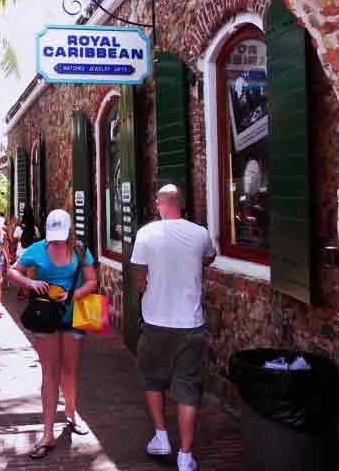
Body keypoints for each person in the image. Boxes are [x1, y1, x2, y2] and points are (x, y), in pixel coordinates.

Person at [129, 184, 216, 471]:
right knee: (188, 389)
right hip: (191, 324)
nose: (155, 204)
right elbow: (209, 257)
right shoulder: (200, 233)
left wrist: (145, 292)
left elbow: (139, 276)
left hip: (155, 322)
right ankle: (185, 456)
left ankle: (162, 437)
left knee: (152, 380)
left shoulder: (146, 234)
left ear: (162, 204)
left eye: (156, 200)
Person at [8, 209, 98, 459]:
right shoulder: (37, 249)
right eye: (54, 236)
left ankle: (70, 412)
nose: (57, 241)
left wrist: (72, 296)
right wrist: (31, 283)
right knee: (49, 373)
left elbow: (92, 281)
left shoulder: (79, 249)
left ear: (69, 231)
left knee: (70, 370)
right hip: (44, 317)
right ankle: (47, 433)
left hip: (72, 318)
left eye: (61, 236)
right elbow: (12, 271)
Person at [13, 206, 41, 300]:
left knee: (20, 275)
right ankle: (28, 293)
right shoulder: (34, 228)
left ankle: (22, 291)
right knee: (30, 277)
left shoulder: (18, 228)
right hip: (32, 254)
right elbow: (38, 238)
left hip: (20, 253)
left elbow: (15, 239)